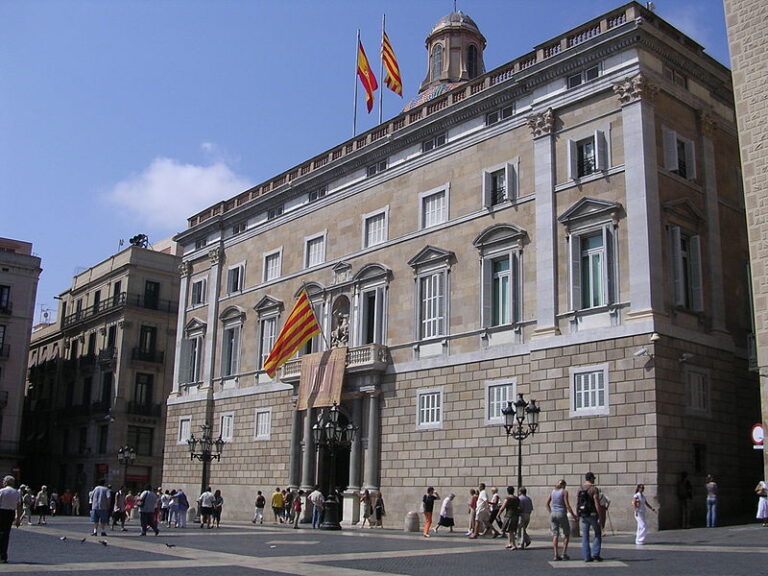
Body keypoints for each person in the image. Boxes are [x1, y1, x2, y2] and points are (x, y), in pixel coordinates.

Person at [546, 479, 575, 561]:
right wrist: (574, 515)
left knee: (555, 534)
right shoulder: (564, 492)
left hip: (553, 514)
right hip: (561, 513)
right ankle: (564, 554)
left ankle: (555, 554)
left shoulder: (552, 492)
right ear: (564, 485)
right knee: (566, 534)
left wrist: (551, 512)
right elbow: (567, 504)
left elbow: (547, 504)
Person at [578, 472, 603, 562]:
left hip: (583, 514)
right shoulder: (593, 489)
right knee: (597, 533)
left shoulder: (580, 488)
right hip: (592, 514)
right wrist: (600, 515)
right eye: (594, 478)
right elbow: (596, 503)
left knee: (585, 536)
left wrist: (578, 514)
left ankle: (586, 556)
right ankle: (595, 554)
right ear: (591, 478)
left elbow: (578, 502)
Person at [0, 476, 22, 564]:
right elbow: (18, 507)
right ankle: (3, 556)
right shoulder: (16, 492)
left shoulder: (1, 491)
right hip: (10, 513)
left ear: (5, 482)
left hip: (1, 512)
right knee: (6, 534)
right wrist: (18, 519)